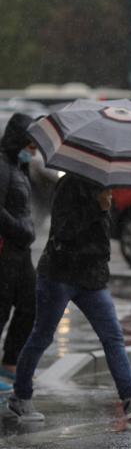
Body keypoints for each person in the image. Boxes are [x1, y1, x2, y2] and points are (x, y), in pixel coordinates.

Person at [6, 173, 131, 422]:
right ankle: (21, 396)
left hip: (92, 279)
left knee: (113, 336)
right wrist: (98, 208)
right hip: (60, 276)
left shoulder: (103, 185)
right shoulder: (69, 184)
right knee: (42, 336)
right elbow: (64, 231)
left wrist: (103, 209)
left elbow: (101, 239)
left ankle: (130, 397)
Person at [0, 113, 37, 391]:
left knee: (29, 306)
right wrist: (20, 229)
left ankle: (10, 361)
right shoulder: (2, 166)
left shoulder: (18, 167)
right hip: (5, 250)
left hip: (21, 253)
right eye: (30, 144)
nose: (33, 151)